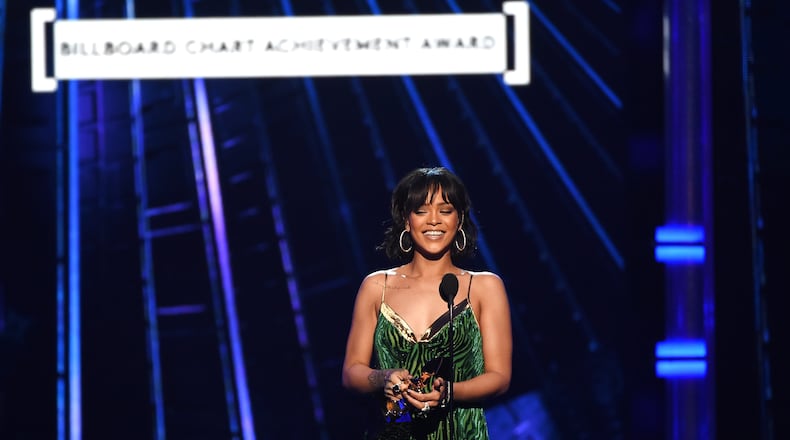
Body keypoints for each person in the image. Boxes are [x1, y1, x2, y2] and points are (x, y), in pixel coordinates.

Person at [342, 167, 512, 439]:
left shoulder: (484, 287)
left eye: (445, 211)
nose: (434, 220)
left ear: (459, 220)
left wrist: (451, 392)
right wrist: (383, 378)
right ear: (407, 221)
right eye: (422, 210)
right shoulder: (376, 287)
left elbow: (499, 377)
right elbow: (352, 372)